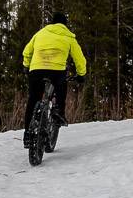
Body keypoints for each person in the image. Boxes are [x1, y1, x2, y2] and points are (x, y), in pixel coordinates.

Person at [22, 12, 86, 147]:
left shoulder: (40, 33)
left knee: (33, 99)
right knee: (61, 89)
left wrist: (26, 66)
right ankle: (58, 112)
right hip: (56, 71)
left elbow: (27, 51)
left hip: (36, 69)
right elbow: (79, 59)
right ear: (65, 24)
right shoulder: (69, 37)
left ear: (52, 23)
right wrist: (81, 74)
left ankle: (27, 133)